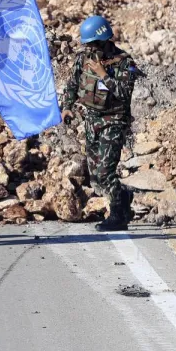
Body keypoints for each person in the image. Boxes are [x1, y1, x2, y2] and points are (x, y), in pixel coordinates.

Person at [61, 15, 140, 231]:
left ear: (104, 41)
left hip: (114, 121)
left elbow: (124, 93)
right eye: (88, 45)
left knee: (106, 172)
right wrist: (67, 105)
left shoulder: (124, 62)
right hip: (91, 120)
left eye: (93, 44)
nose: (90, 49)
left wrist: (103, 74)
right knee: (96, 176)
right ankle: (123, 197)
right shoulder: (83, 59)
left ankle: (117, 215)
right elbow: (72, 84)